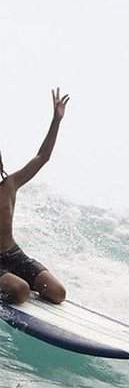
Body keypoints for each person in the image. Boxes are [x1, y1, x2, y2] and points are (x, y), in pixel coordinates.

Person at [0, 88, 70, 304]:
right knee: (20, 291)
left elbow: (42, 157)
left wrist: (56, 120)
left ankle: (12, 279)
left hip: (14, 255)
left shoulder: (10, 184)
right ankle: (11, 282)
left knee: (58, 292)